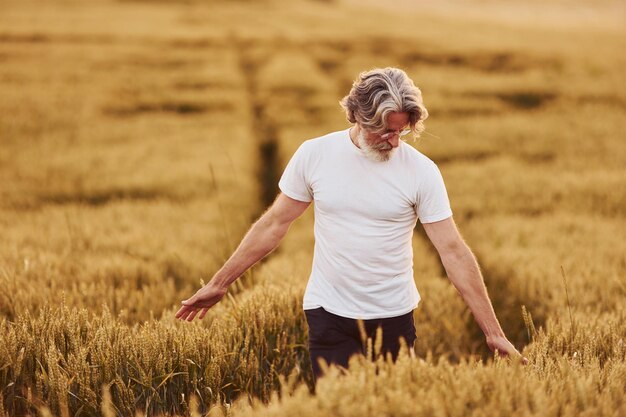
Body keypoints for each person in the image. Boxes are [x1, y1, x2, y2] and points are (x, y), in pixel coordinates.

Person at [175, 67, 526, 379]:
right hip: (329, 314)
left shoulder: (421, 171)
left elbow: (452, 251)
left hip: (394, 317)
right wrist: (221, 283)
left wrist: (493, 332)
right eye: (384, 131)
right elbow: (274, 224)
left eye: (400, 132)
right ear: (356, 116)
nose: (393, 141)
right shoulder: (316, 154)